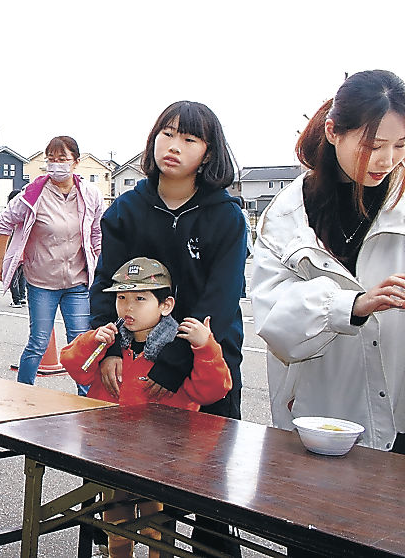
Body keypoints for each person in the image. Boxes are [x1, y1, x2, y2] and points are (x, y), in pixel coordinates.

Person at [89, 101, 246, 556]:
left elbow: (219, 298)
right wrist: (112, 348)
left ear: (210, 153)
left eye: (190, 139)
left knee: (208, 484)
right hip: (134, 358)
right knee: (122, 472)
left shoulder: (226, 217)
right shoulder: (126, 210)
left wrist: (178, 360)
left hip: (203, 360)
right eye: (166, 134)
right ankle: (115, 541)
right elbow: (105, 286)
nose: (173, 146)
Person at [251, 70, 405, 462]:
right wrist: (349, 306)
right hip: (323, 414)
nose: (387, 160)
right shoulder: (287, 216)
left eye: (402, 145)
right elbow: (274, 324)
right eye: (373, 144)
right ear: (334, 131)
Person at [61, 257, 232, 558]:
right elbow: (75, 365)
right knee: (116, 527)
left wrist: (206, 346)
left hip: (163, 464)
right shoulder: (111, 344)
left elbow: (214, 389)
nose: (128, 307)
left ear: (166, 305)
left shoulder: (175, 356)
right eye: (121, 298)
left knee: (158, 530)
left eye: (140, 298)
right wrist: (93, 341)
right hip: (113, 457)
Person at [0, 136, 104, 387]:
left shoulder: (90, 195)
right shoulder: (32, 194)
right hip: (41, 282)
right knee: (38, 342)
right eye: (51, 160)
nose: (56, 165)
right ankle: (23, 393)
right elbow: (4, 223)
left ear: (76, 162)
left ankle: (86, 400)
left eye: (63, 159)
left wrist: (102, 266)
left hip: (78, 282)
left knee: (81, 344)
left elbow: (96, 232)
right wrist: (0, 260)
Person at [4, 188, 28, 308]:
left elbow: (7, 236)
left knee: (12, 273)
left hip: (14, 251)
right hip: (25, 249)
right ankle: (23, 296)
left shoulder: (11, 216)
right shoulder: (26, 214)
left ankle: (16, 299)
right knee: (22, 274)